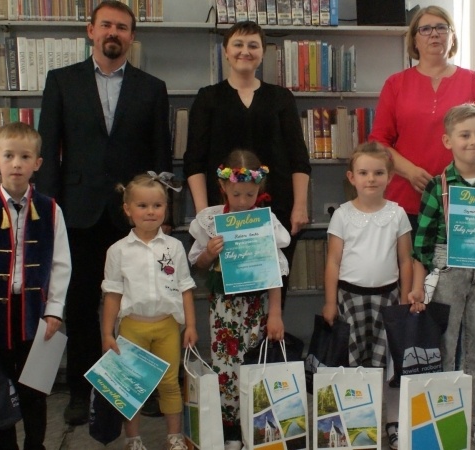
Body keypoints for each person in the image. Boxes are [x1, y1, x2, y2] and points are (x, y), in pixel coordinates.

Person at [36, 0, 171, 424]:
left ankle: (137, 389)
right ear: (90, 30)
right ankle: (82, 391)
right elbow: (48, 148)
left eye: (123, 27)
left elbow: (159, 157)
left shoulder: (152, 87)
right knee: (79, 305)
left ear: (132, 36)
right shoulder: (61, 81)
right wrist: (51, 211)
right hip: (78, 215)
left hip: (133, 218)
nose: (115, 33)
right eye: (107, 25)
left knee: (139, 307)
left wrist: (156, 214)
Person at [0, 122, 71, 450]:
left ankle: (36, 445)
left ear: (38, 163)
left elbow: (61, 265)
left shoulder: (51, 210)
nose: (16, 163)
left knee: (35, 389)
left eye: (24, 156)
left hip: (36, 314)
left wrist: (54, 311)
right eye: (9, 156)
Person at [408, 104, 475, 450]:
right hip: (448, 275)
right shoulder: (438, 186)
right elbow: (421, 243)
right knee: (445, 347)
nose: (473, 141)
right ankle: (445, 419)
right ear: (448, 140)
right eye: (465, 134)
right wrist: (419, 287)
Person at [183, 20, 310, 307]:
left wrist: (299, 206)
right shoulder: (208, 98)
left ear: (263, 53)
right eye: (238, 44)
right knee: (230, 298)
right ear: (226, 52)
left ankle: (267, 350)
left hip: (275, 211)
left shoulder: (281, 98)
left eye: (253, 45)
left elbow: (298, 158)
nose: (245, 51)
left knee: (273, 295)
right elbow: (194, 161)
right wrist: (206, 215)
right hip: (224, 212)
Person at [187, 150, 288, 450]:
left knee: (255, 364)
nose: (244, 201)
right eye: (237, 194)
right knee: (226, 366)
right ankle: (230, 430)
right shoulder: (212, 221)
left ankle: (256, 425)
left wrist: (276, 314)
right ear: (223, 189)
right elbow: (198, 265)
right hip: (223, 308)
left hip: (256, 306)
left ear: (260, 190)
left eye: (250, 194)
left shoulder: (263, 222)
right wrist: (209, 253)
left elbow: (275, 271)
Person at [368, 5, 475, 233]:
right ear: (414, 40)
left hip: (461, 199)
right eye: (426, 29)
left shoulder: (471, 80)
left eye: (442, 27)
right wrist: (409, 171)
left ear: (452, 37)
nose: (434, 34)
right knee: (409, 268)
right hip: (405, 199)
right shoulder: (395, 84)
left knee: (458, 269)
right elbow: (379, 142)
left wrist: (461, 175)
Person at [321, 142, 413, 450]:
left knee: (387, 365)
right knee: (353, 361)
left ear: (390, 177)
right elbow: (333, 261)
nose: (370, 179)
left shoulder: (397, 214)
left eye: (378, 172)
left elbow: (405, 260)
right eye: (363, 172)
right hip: (350, 298)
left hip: (387, 299)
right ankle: (356, 421)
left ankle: (392, 421)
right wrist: (331, 302)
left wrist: (404, 299)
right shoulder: (343, 215)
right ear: (351, 177)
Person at [101, 173, 196, 450]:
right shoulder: (118, 251)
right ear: (128, 210)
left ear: (165, 209)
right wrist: (107, 333)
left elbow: (186, 288)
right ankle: (133, 439)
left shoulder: (174, 247)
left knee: (169, 383)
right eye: (142, 206)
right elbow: (112, 295)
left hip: (167, 326)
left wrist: (190, 325)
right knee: (132, 388)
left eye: (157, 205)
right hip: (132, 328)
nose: (150, 211)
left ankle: (174, 437)